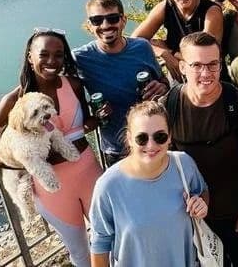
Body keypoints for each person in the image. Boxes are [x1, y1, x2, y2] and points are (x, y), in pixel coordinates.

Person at [0, 30, 103, 267]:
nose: (52, 61)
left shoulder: (74, 84)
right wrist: (27, 158)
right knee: (79, 252)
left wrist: (97, 119)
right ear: (30, 57)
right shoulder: (12, 102)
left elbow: (87, 121)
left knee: (111, 238)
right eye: (44, 54)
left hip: (89, 172)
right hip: (53, 189)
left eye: (58, 55)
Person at [166, 32, 238, 266]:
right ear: (182, 67)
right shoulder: (168, 107)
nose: (206, 73)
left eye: (212, 64)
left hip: (235, 213)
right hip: (191, 217)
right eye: (197, 65)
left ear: (221, 65)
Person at [89, 100, 209, 267]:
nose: (151, 145)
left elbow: (202, 192)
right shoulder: (108, 186)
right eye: (142, 138)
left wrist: (201, 205)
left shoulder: (184, 164)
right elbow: (99, 243)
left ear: (170, 137)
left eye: (160, 136)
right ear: (130, 139)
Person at [73, 0, 169, 167]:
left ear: (123, 20)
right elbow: (51, 81)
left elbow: (164, 81)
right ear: (89, 26)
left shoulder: (142, 47)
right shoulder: (80, 58)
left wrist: (161, 86)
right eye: (97, 20)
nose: (106, 25)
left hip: (153, 143)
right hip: (117, 151)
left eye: (112, 18)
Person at [132, 0, 223, 82]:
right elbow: (135, 41)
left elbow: (203, 57)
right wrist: (162, 52)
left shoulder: (211, 12)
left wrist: (171, 52)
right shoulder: (165, 8)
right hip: (180, 75)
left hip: (209, 77)